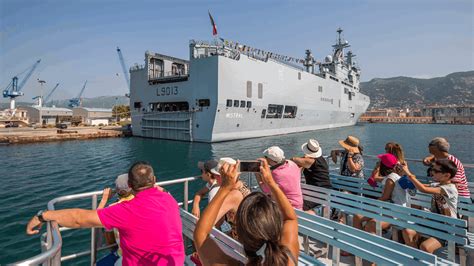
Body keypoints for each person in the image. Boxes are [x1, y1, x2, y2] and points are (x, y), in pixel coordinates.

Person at [26, 161, 185, 266]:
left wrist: (43, 215)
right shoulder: (169, 199)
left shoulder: (125, 210)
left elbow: (78, 219)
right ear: (155, 180)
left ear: (130, 185)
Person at [194, 159, 299, 266]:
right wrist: (270, 182)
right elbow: (291, 218)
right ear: (276, 225)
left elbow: (200, 233)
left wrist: (225, 188)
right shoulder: (288, 257)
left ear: (241, 236)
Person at [399, 159, 459, 254]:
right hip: (433, 222)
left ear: (447, 175)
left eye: (436, 171)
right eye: (432, 169)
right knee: (407, 232)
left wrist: (408, 172)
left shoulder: (449, 189)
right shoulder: (437, 185)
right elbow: (419, 185)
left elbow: (423, 189)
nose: (432, 172)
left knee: (425, 247)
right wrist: (405, 172)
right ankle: (416, 258)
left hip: (447, 227)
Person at [353, 153, 408, 234]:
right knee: (357, 216)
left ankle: (368, 245)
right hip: (387, 209)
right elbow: (375, 178)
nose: (378, 162)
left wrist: (371, 205)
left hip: (396, 213)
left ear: (384, 165)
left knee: (371, 225)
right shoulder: (389, 177)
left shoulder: (391, 179)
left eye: (380, 162)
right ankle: (360, 241)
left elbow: (385, 197)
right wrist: (377, 167)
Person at [97, 174, 136, 266]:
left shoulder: (112, 209)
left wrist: (104, 200)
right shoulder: (143, 202)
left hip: (125, 255)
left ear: (117, 191)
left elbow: (96, 217)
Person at [212, 157, 251, 239]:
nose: (214, 177)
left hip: (241, 240)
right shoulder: (241, 185)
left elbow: (213, 222)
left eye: (216, 175)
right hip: (248, 233)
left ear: (224, 176)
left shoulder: (233, 195)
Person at [292, 139, 331, 213]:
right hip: (321, 191)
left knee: (298, 205)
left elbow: (294, 159)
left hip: (319, 193)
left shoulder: (310, 161)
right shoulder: (321, 159)